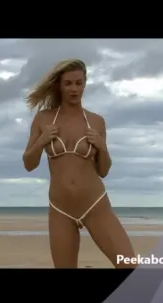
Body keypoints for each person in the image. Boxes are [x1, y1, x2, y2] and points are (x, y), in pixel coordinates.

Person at [22, 59, 137, 269]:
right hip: (60, 209)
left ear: (85, 84)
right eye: (68, 83)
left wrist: (102, 147)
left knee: (128, 266)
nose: (74, 89)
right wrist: (41, 140)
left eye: (79, 83)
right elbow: (28, 164)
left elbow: (103, 170)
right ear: (59, 85)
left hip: (95, 205)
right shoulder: (43, 119)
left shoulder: (96, 121)